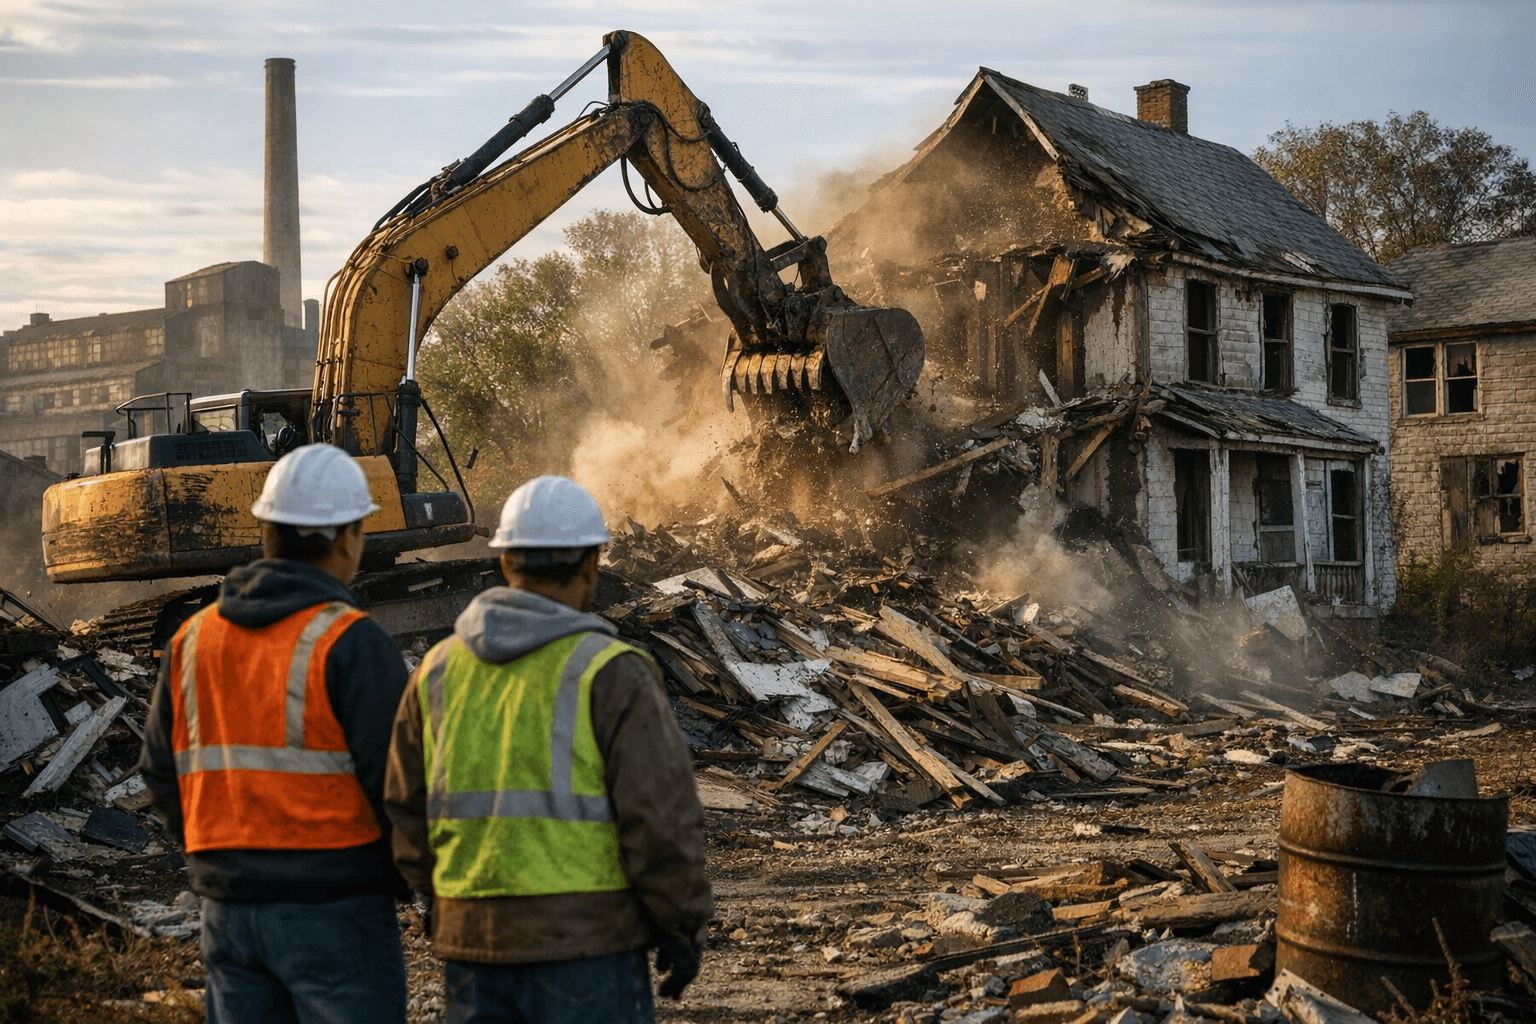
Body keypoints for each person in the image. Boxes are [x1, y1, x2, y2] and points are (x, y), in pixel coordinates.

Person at [385, 475, 712, 1024]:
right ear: (591, 565)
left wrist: (443, 901)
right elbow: (660, 821)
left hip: (472, 948)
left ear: (505, 563)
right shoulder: (613, 674)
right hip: (587, 948)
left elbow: (404, 808)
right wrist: (681, 925)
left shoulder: (437, 671)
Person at [140, 443, 409, 1024]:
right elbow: (399, 786)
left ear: (267, 531)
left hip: (229, 912)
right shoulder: (351, 642)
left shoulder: (192, 639)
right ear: (345, 537)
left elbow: (161, 771)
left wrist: (216, 854)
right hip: (337, 909)